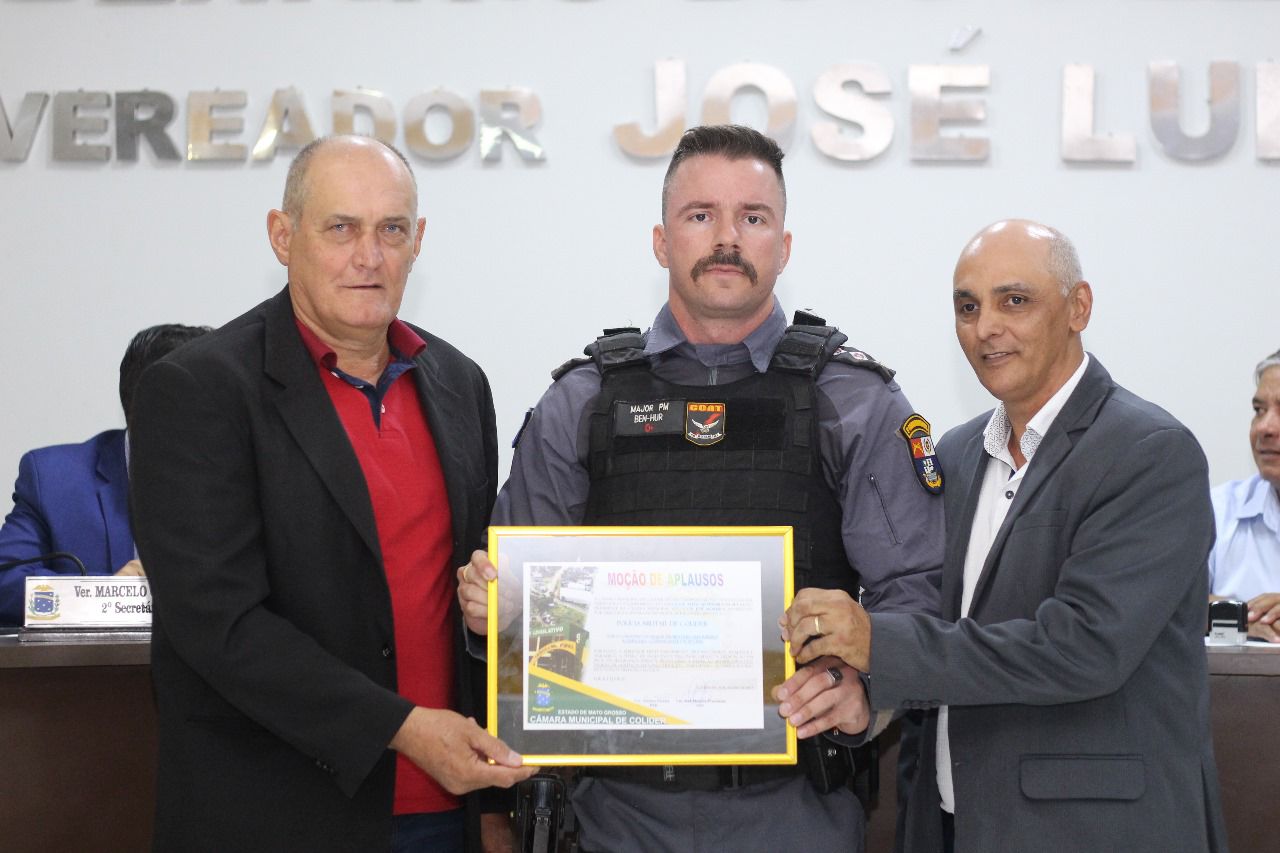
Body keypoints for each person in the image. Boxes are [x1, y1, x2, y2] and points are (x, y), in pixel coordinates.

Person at [458, 124, 943, 853]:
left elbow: (919, 589)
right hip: (612, 816)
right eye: (700, 215)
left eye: (753, 217)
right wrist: (490, 611)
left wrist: (864, 691)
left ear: (784, 245)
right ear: (661, 242)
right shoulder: (582, 402)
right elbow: (514, 613)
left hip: (795, 813)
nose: (727, 238)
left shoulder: (853, 400)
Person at [128, 135, 533, 853]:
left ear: (418, 241)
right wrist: (404, 728)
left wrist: (498, 802)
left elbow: (472, 592)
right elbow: (221, 625)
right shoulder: (198, 389)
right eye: (341, 227)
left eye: (391, 230)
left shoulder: (460, 383)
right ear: (283, 236)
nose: (368, 256)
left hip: (447, 811)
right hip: (275, 817)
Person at [782, 220, 1228, 853]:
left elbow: (1083, 647)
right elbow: (936, 620)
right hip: (950, 824)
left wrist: (879, 643)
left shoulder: (1150, 452)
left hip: (1095, 834)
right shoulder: (956, 454)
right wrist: (866, 699)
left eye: (1014, 300)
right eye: (968, 307)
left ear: (1079, 307)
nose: (986, 326)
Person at [0, 323, 209, 627]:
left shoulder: (250, 475)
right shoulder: (55, 480)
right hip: (106, 657)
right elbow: (5, 582)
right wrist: (108, 593)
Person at [1208, 347, 1280, 642]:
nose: (1265, 427)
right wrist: (1240, 619)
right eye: (1259, 410)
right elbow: (1167, 605)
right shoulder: (1218, 510)